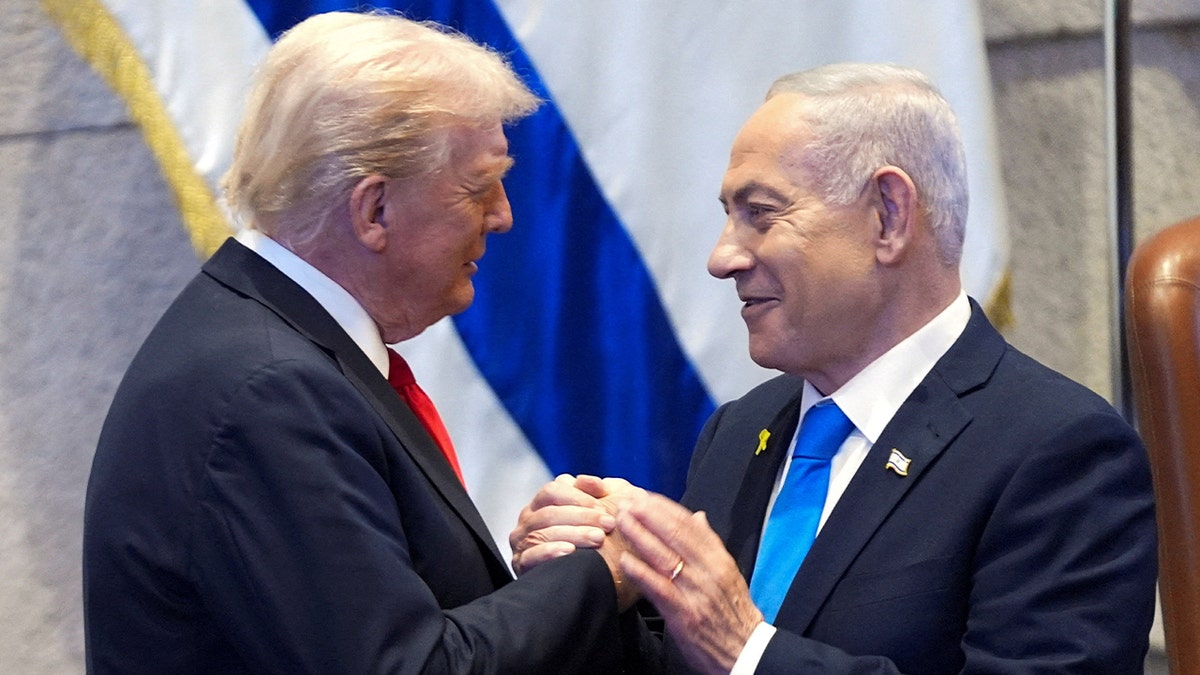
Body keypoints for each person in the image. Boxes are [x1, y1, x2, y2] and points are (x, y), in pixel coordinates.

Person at [511, 62, 1157, 673]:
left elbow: (733, 651)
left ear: (889, 216)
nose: (722, 257)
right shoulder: (741, 431)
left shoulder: (1059, 452)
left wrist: (749, 650)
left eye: (760, 214)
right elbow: (689, 661)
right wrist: (594, 589)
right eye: (727, 217)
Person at [82, 11, 642, 673]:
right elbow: (405, 667)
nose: (503, 214)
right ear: (373, 209)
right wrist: (600, 572)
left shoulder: (275, 346)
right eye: (477, 187)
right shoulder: (272, 390)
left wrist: (552, 568)